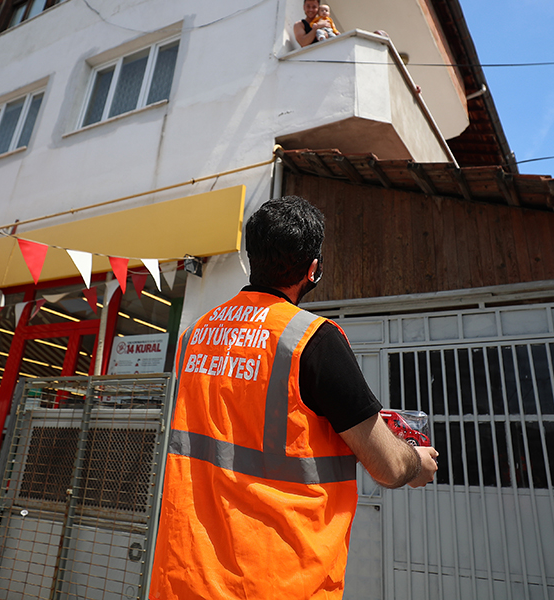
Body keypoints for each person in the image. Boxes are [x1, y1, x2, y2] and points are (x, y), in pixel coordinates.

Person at [149, 196, 438, 599]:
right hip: (276, 581)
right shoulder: (312, 340)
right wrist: (415, 462)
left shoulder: (192, 336)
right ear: (313, 270)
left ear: (252, 260)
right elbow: (388, 467)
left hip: (183, 577)